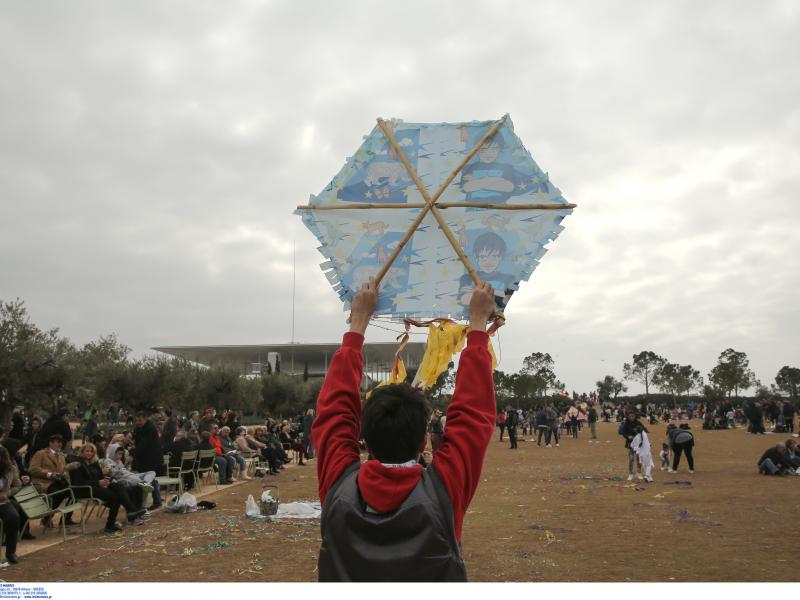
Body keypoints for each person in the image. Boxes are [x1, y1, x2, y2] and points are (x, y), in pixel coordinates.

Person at [313, 278, 496, 581]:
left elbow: (334, 412)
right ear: (424, 440)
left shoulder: (337, 485)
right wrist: (477, 324)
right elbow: (472, 415)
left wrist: (358, 321)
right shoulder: (444, 491)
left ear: (365, 441)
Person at [68, 443, 145, 533]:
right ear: (82, 452)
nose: (89, 453)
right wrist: (98, 482)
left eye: (91, 451)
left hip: (97, 486)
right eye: (87, 451)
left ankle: (129, 511)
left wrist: (110, 480)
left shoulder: (94, 462)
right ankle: (118, 519)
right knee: (115, 497)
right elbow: (77, 482)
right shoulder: (77, 464)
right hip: (85, 489)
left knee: (119, 486)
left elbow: (101, 476)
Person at [27, 434, 77, 527]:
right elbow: (32, 469)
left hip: (58, 482)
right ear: (50, 443)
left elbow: (62, 470)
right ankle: (47, 517)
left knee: (75, 493)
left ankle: (66, 519)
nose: (60, 444)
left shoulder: (61, 455)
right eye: (57, 442)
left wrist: (64, 473)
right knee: (59, 493)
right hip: (44, 482)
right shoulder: (41, 453)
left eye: (61, 442)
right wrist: (49, 474)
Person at [132, 412, 164, 509]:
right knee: (150, 477)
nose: (138, 422)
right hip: (144, 458)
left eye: (140, 420)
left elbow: (143, 444)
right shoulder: (139, 428)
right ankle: (157, 499)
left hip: (152, 457)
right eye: (136, 420)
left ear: (145, 419)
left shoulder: (150, 429)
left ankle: (156, 500)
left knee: (149, 476)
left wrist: (133, 454)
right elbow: (138, 442)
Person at [0, 447, 22, 564]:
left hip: (2, 502)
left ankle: (11, 552)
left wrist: (6, 493)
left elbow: (17, 485)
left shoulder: (10, 469)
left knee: (14, 517)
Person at [619, 411, 648, 481]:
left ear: (635, 416)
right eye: (630, 416)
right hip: (630, 444)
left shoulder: (638, 423)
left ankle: (639, 473)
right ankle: (630, 474)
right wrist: (628, 436)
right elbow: (623, 433)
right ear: (628, 417)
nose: (631, 417)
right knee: (631, 459)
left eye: (633, 416)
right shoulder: (626, 424)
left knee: (639, 459)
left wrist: (642, 432)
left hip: (639, 444)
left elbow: (644, 430)